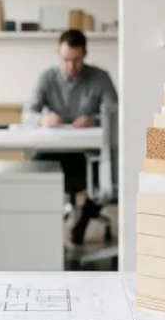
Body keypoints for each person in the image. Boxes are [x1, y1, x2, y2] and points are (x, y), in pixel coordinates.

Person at [22, 29, 118, 245]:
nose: (71, 66)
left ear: (85, 55)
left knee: (109, 170)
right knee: (32, 173)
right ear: (58, 54)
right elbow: (26, 113)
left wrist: (95, 120)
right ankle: (41, 231)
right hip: (53, 153)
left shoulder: (100, 78)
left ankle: (84, 219)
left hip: (87, 155)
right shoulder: (47, 77)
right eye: (66, 59)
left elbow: (116, 116)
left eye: (76, 60)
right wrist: (42, 120)